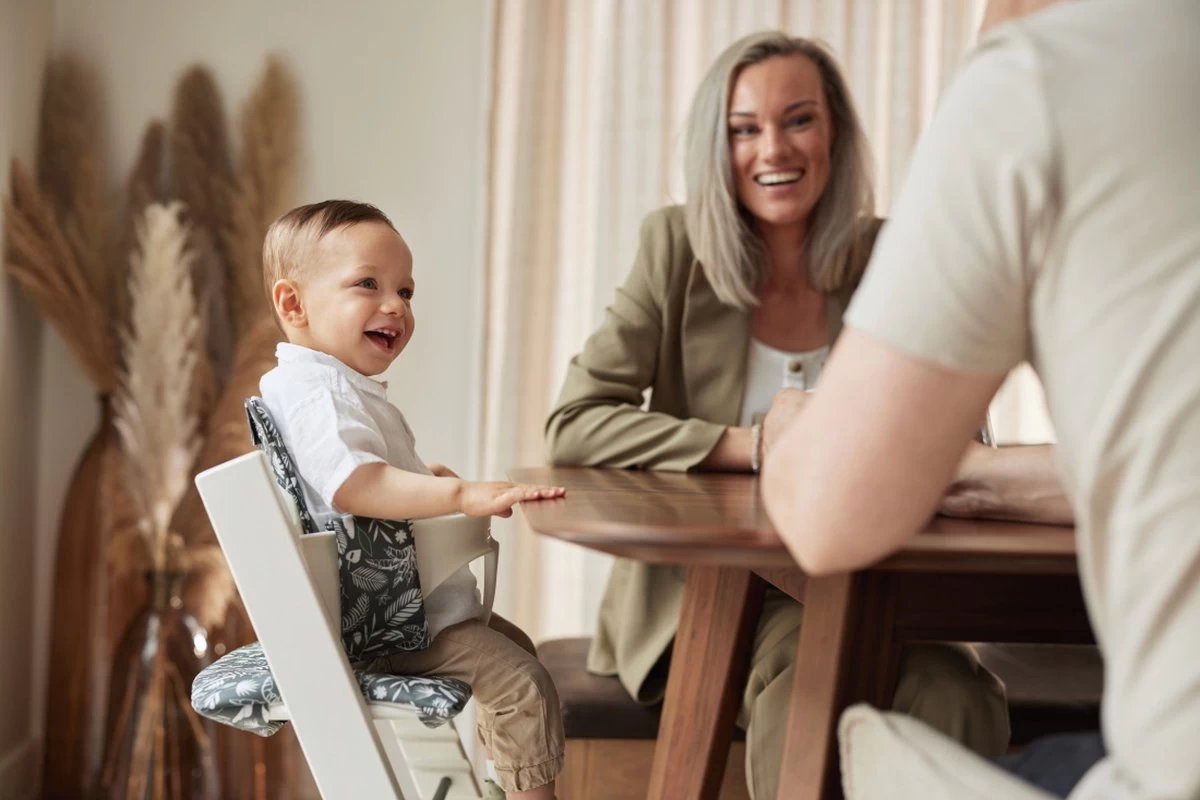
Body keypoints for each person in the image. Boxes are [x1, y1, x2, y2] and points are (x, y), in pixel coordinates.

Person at [545, 31, 1034, 800]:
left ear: (834, 131)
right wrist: (755, 445)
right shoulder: (674, 247)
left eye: (798, 119)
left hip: (878, 582)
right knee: (808, 680)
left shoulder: (894, 257)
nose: (773, 147)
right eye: (744, 128)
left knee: (959, 693)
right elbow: (574, 422)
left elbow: (960, 435)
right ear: (720, 143)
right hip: (717, 594)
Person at [762, 1, 1200, 797]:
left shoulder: (1039, 75)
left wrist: (790, 433)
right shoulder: (675, 251)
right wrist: (969, 474)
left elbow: (826, 514)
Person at [258, 200, 566, 800]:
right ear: (294, 304)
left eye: (406, 289)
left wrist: (422, 476)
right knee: (520, 680)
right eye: (367, 284)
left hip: (404, 608)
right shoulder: (317, 393)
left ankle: (500, 781)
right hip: (391, 622)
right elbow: (354, 485)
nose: (395, 304)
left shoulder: (328, 388)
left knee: (519, 652)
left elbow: (350, 481)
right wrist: (457, 493)